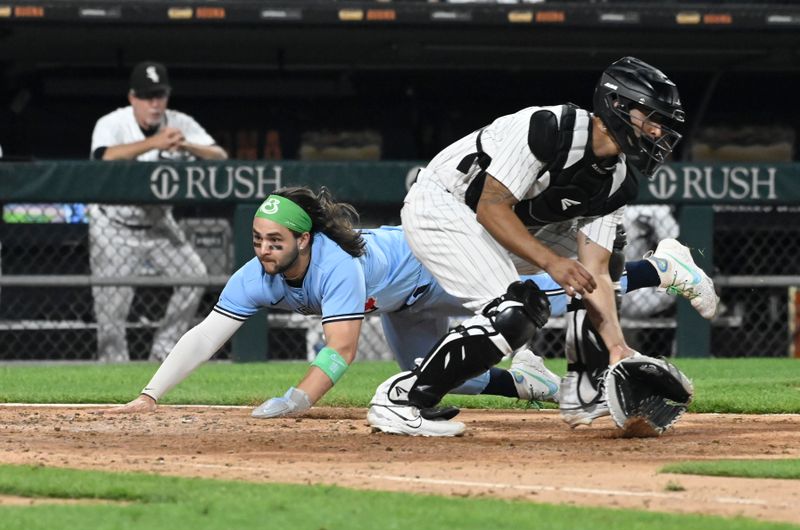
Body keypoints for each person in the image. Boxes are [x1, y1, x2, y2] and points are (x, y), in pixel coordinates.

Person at [106, 187, 715, 423]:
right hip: (403, 305)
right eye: (259, 240)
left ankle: (663, 266)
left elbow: (341, 352)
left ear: (304, 239)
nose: (265, 249)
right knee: (437, 377)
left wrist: (296, 402)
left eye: (277, 240)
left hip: (433, 267)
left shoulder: (335, 265)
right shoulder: (255, 274)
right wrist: (150, 394)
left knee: (558, 291)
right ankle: (530, 384)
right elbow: (204, 335)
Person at [365, 56, 714, 437]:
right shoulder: (550, 127)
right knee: (512, 313)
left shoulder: (619, 183)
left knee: (584, 276)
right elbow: (490, 205)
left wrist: (618, 347)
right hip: (445, 202)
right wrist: (551, 262)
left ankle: (590, 373)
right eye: (652, 118)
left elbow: (594, 273)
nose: (658, 131)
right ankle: (400, 399)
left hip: (515, 222)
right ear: (618, 105)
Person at [89, 61, 227, 362]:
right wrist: (154, 142)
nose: (154, 103)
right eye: (147, 96)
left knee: (195, 277)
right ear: (132, 98)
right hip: (113, 225)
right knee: (111, 313)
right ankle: (113, 371)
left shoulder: (179, 122)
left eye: (160, 95)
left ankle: (163, 351)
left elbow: (219, 156)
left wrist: (188, 145)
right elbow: (103, 158)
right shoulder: (112, 123)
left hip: (158, 224)